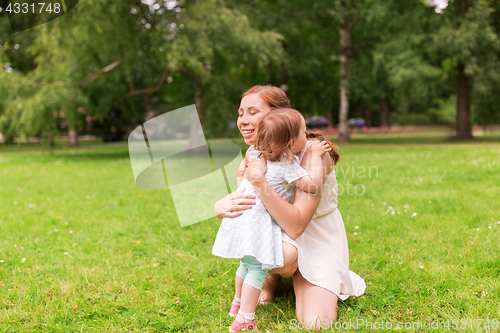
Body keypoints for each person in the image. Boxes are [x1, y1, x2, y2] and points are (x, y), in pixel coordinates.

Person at [214, 85, 366, 330]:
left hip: (313, 234)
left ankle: (286, 273)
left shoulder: (313, 152)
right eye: (241, 113)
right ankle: (269, 278)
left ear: (278, 115)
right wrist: (219, 206)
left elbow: (296, 226)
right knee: (239, 221)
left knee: (316, 323)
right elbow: (250, 206)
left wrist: (258, 180)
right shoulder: (255, 151)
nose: (243, 120)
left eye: (252, 112)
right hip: (276, 229)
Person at [212, 109, 332, 332]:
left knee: (245, 264)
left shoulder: (256, 153)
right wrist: (314, 156)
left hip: (243, 215)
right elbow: (312, 185)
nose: (307, 138)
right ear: (289, 142)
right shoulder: (286, 164)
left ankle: (236, 303)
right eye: (304, 134)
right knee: (258, 268)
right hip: (259, 221)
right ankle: (245, 318)